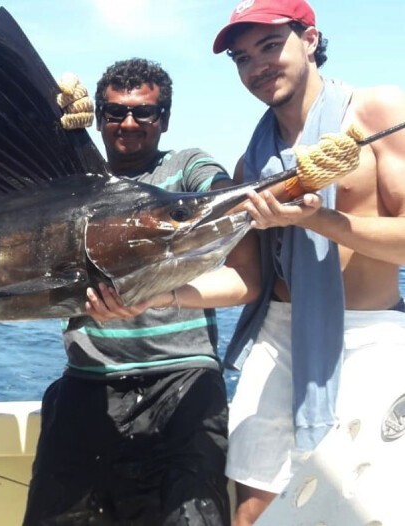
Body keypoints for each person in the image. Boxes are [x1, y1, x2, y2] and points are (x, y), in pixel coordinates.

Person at [22, 58, 260, 526]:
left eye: (144, 113)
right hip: (90, 380)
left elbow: (220, 196)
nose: (128, 123)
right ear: (100, 117)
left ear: (163, 120)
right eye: (114, 113)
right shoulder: (74, 190)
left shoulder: (186, 167)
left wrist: (162, 294)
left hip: (184, 380)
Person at [211, 0, 405, 524]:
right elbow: (246, 279)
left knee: (364, 507)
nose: (257, 66)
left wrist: (321, 221)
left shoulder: (378, 115)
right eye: (242, 58)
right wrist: (163, 295)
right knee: (250, 512)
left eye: (270, 46)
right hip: (277, 334)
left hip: (371, 335)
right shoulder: (250, 162)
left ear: (311, 39)